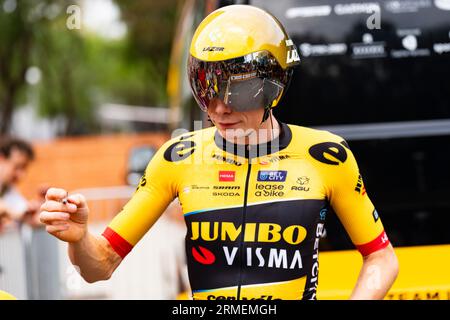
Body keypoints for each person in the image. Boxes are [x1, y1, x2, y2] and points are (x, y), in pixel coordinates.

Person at [39, 5, 398, 300]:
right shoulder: (176, 158)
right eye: (204, 89)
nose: (218, 109)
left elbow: (381, 258)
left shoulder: (325, 155)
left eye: (235, 92)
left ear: (273, 86)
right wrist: (80, 238)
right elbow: (98, 266)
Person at [0, 137, 39, 232]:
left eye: (24, 168)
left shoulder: (9, 190)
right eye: (17, 167)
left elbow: (21, 209)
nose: (21, 175)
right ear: (1, 159)